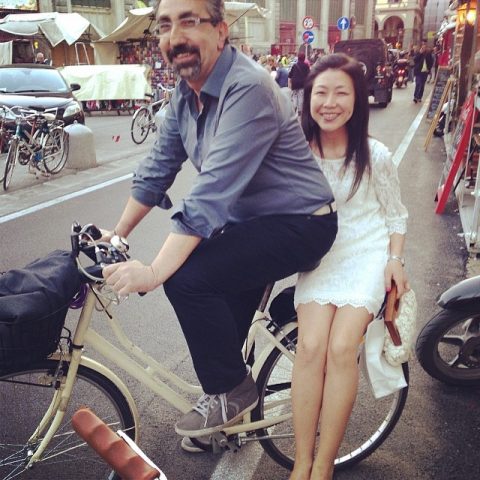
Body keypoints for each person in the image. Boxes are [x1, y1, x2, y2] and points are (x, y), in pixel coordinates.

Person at [102, 0, 337, 441]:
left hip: (301, 223)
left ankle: (231, 392)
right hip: (252, 225)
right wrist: (116, 235)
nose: (175, 37)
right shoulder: (183, 95)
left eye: (189, 21)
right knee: (221, 328)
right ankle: (232, 409)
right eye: (165, 25)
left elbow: (210, 194)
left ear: (221, 31)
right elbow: (157, 169)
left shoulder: (248, 87)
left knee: (186, 279)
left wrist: (153, 272)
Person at [289, 53, 409, 480]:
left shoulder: (375, 155)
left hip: (367, 253)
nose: (329, 103)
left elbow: (396, 216)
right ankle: (301, 461)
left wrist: (394, 260)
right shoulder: (298, 153)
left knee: (341, 348)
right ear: (307, 99)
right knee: (310, 347)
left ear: (357, 99)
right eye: (320, 92)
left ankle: (323, 465)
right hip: (322, 256)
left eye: (341, 93)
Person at [288, 51, 310, 115]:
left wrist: (290, 84)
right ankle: (300, 110)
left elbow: (290, 75)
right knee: (301, 97)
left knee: (294, 96)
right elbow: (309, 75)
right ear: (304, 58)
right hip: (302, 84)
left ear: (298, 58)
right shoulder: (306, 66)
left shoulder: (294, 65)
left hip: (294, 84)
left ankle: (294, 107)